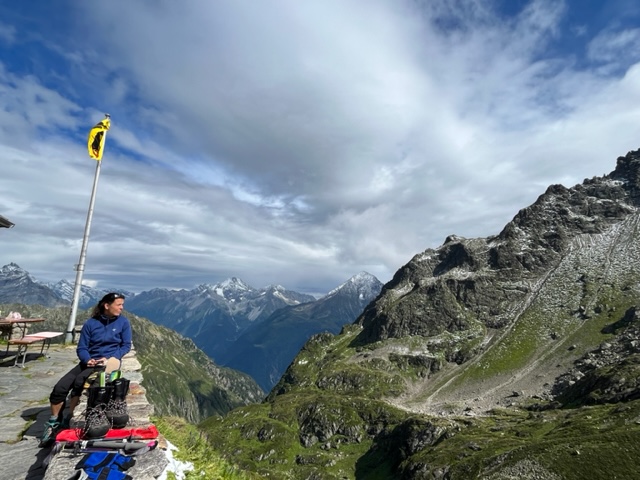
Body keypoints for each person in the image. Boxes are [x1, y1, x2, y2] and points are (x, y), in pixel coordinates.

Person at [40, 292, 132, 447]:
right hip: (88, 362)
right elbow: (82, 347)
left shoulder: (123, 322)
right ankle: (54, 421)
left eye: (122, 304)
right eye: (119, 304)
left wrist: (110, 358)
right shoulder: (91, 323)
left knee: (81, 382)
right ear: (107, 305)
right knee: (60, 387)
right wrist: (87, 359)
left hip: (109, 363)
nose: (122, 308)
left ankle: (69, 418)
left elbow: (125, 345)